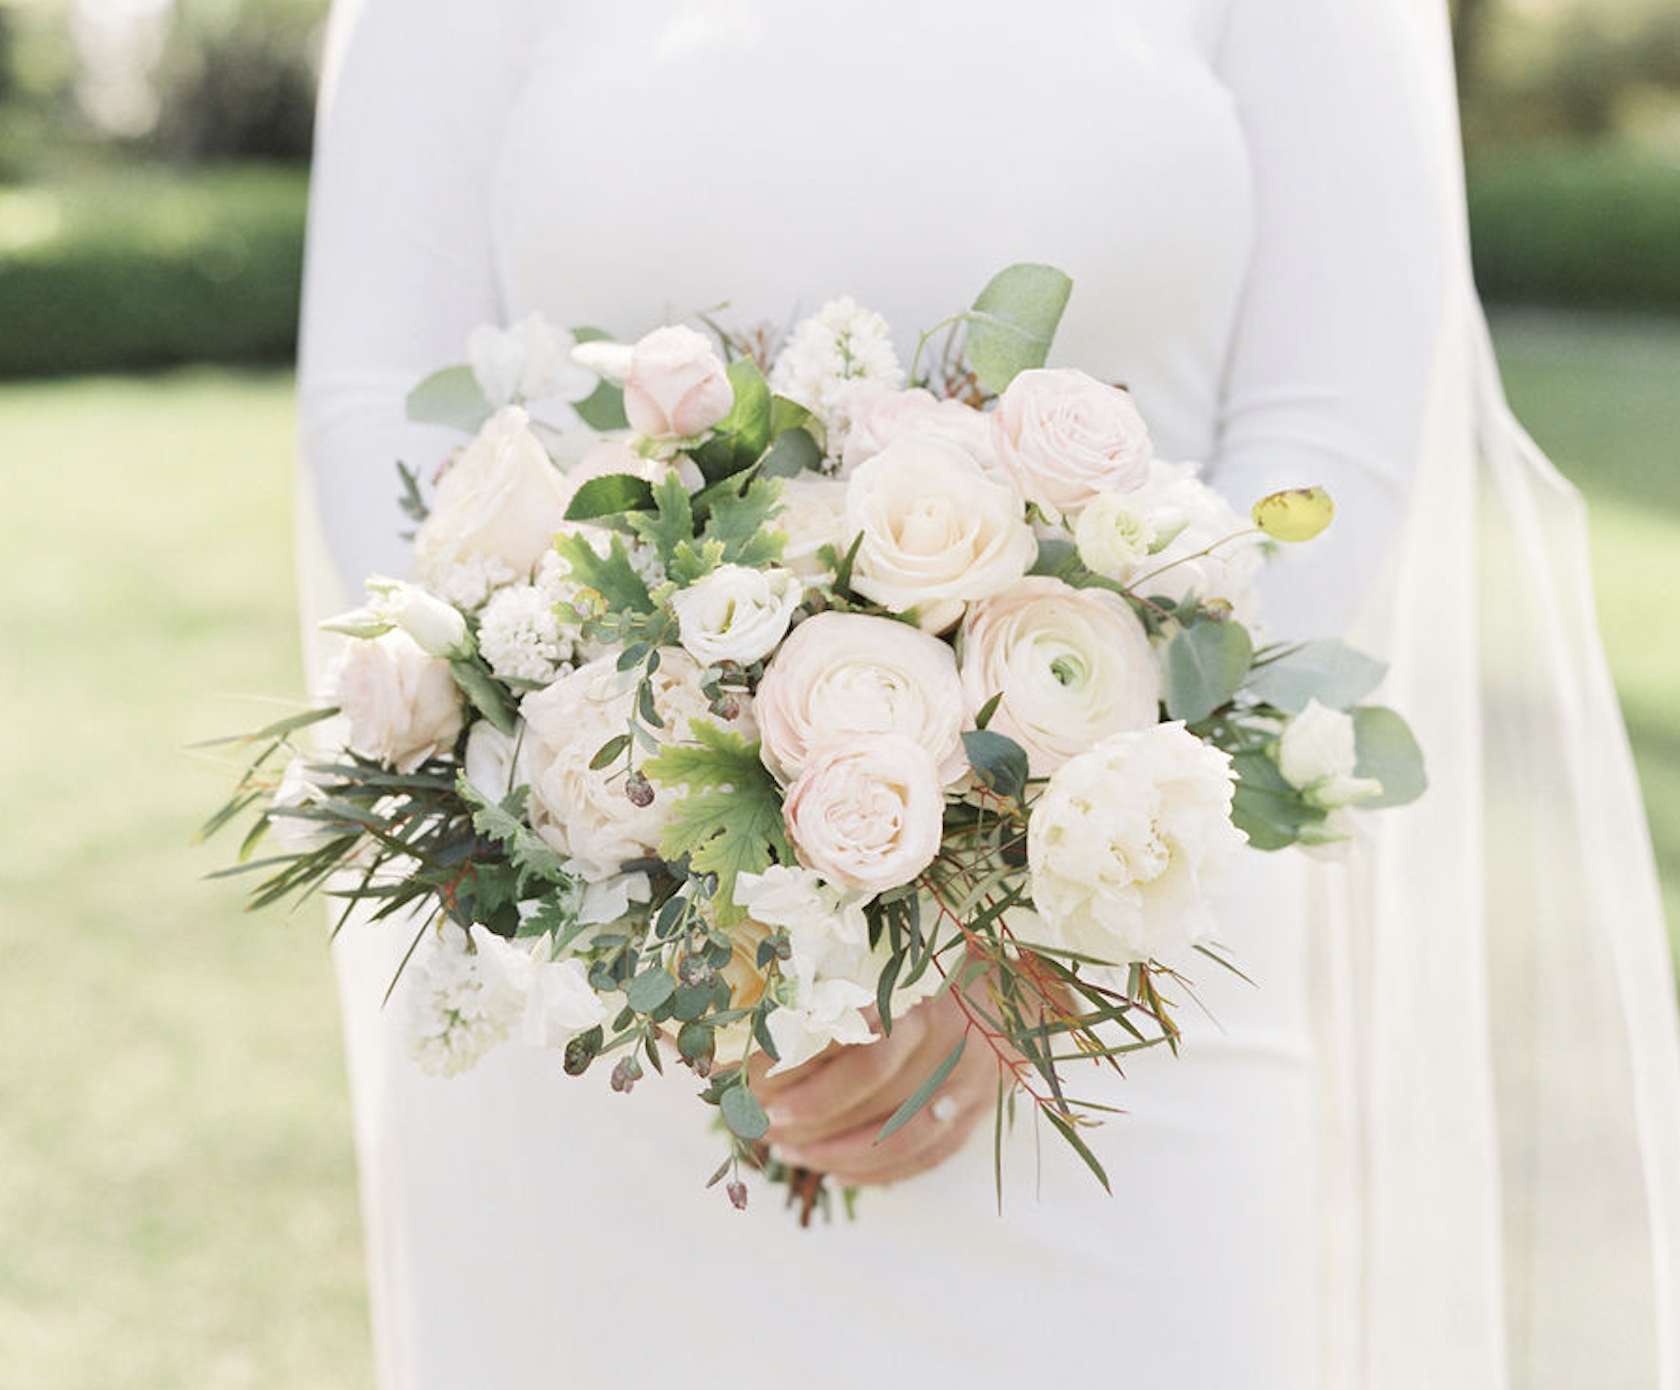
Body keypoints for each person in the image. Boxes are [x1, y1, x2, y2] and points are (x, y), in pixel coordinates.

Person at [295, 2, 1680, 1387]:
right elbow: (378, 388)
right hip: (622, 1000)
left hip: (1114, 996)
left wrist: (1007, 903)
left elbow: (1332, 416)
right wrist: (614, 800)